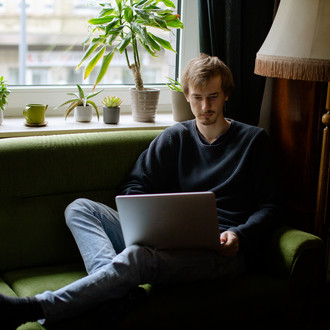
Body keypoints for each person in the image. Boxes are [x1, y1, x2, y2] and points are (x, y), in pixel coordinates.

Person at [0, 53, 279, 329]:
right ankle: (117, 294)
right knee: (80, 208)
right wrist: (151, 222)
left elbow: (271, 206)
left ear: (226, 94)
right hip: (167, 239)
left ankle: (34, 307)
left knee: (138, 258)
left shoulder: (253, 141)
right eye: (197, 97)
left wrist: (239, 236)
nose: (205, 106)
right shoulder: (175, 137)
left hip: (222, 252)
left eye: (213, 96)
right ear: (187, 96)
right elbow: (133, 186)